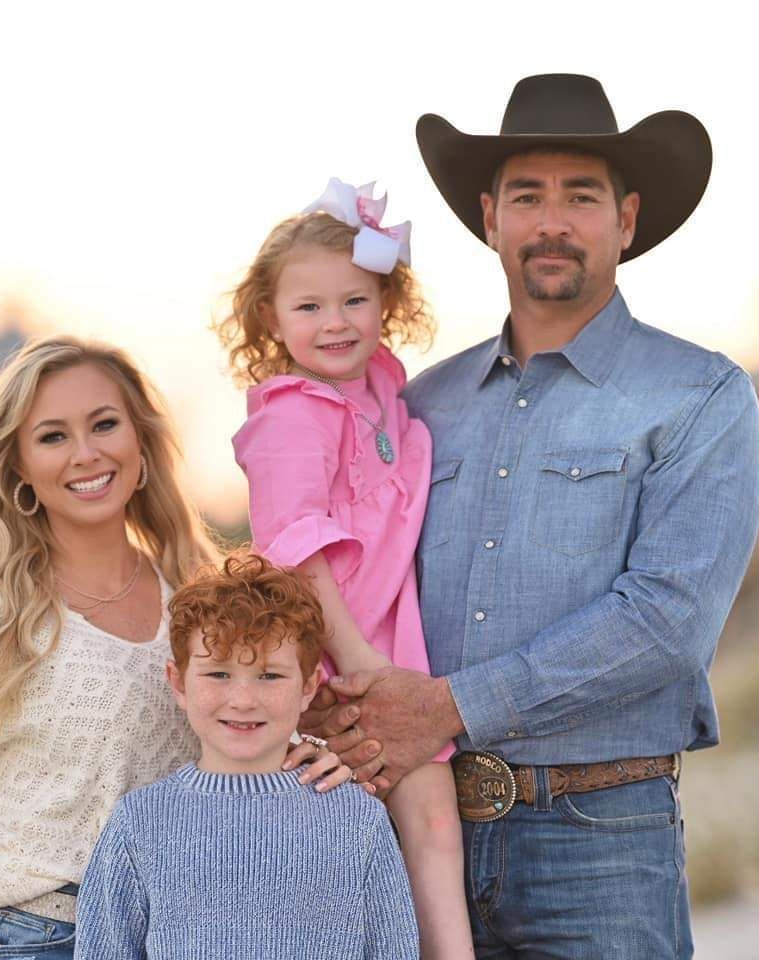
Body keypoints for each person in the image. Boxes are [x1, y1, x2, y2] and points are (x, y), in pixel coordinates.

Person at [301, 74, 759, 958]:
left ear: (624, 220)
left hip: (599, 840)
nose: (552, 221)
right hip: (412, 827)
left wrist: (447, 708)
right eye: (526, 196)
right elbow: (363, 581)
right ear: (488, 218)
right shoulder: (419, 407)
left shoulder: (700, 396)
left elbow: (666, 622)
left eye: (579, 196)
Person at [0, 335, 347, 960]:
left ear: (140, 444)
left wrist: (310, 759)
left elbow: (240, 729)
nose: (86, 454)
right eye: (53, 436)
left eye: (104, 425)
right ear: (20, 468)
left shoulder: (202, 602)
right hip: (29, 939)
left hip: (179, 932)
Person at [217, 179, 474, 959]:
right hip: (340, 651)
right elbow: (294, 550)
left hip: (394, 642)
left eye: (355, 301)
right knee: (353, 837)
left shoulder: (384, 390)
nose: (334, 323)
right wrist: (360, 665)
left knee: (431, 823)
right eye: (308, 307)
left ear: (387, 303)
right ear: (269, 316)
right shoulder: (291, 415)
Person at [75, 551, 419, 960]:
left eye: (269, 675)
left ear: (308, 686)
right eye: (218, 674)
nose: (242, 700)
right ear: (178, 682)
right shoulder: (139, 822)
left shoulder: (358, 822)